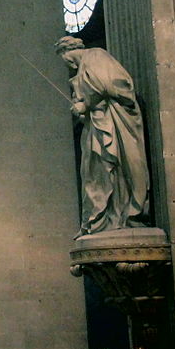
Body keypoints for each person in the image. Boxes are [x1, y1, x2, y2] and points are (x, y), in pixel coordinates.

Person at [55, 36, 151, 234]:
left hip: (115, 123)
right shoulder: (80, 70)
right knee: (94, 173)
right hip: (96, 127)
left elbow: (111, 84)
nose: (67, 65)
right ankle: (102, 220)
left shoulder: (95, 55)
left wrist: (85, 103)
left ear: (67, 52)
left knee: (121, 166)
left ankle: (125, 215)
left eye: (63, 59)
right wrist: (81, 109)